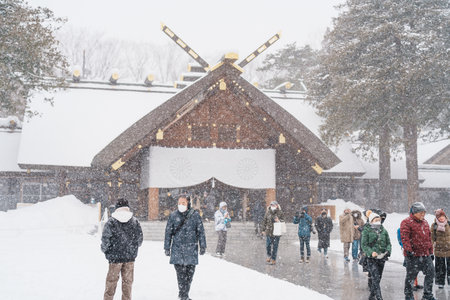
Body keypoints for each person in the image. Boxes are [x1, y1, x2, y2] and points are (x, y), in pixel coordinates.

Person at [164, 195, 207, 300]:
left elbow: (200, 231)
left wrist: (203, 246)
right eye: (179, 203)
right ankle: (184, 295)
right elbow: (168, 232)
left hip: (191, 249)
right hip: (177, 249)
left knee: (189, 274)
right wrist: (167, 247)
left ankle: (183, 293)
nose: (181, 205)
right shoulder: (173, 215)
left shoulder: (195, 215)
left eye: (183, 203)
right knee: (181, 274)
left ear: (188, 203)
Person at [101, 198, 143, 300]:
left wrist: (105, 250)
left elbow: (105, 238)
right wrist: (132, 248)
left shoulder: (111, 222)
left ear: (117, 208)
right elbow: (140, 239)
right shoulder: (135, 221)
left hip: (114, 258)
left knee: (111, 282)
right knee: (127, 283)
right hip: (129, 258)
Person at [400, 202, 436, 300]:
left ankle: (427, 295)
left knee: (431, 273)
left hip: (425, 254)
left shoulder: (425, 222)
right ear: (414, 212)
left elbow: (429, 238)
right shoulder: (406, 222)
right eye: (420, 213)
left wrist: (431, 252)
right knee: (411, 276)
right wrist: (408, 250)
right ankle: (409, 295)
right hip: (413, 255)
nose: (423, 215)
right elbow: (405, 237)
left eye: (424, 213)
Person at [361, 213, 391, 300]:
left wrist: (388, 251)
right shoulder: (366, 230)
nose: (378, 222)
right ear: (371, 221)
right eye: (376, 220)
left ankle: (371, 296)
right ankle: (379, 297)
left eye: (379, 220)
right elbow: (364, 245)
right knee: (376, 278)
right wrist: (371, 252)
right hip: (372, 259)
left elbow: (388, 243)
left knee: (378, 278)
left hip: (382, 258)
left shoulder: (384, 230)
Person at [397, 227, 423, 291]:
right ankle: (411, 284)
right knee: (410, 268)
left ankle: (415, 283)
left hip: (415, 250)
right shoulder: (401, 229)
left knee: (416, 267)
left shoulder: (413, 228)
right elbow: (400, 240)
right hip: (408, 251)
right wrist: (405, 247)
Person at [431, 209, 449, 289]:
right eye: (439, 217)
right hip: (439, 250)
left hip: (449, 249)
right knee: (440, 267)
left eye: (442, 216)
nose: (441, 218)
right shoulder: (434, 225)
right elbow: (432, 238)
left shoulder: (449, 224)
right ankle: (440, 282)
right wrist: (431, 248)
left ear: (445, 216)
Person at [261, 201, 284, 265]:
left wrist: (278, 220)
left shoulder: (280, 212)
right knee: (268, 245)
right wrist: (263, 230)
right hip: (269, 231)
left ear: (276, 206)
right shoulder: (267, 212)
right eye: (271, 205)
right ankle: (269, 255)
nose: (272, 206)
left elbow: (283, 220)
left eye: (273, 205)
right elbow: (264, 221)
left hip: (277, 232)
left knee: (275, 246)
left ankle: (273, 259)